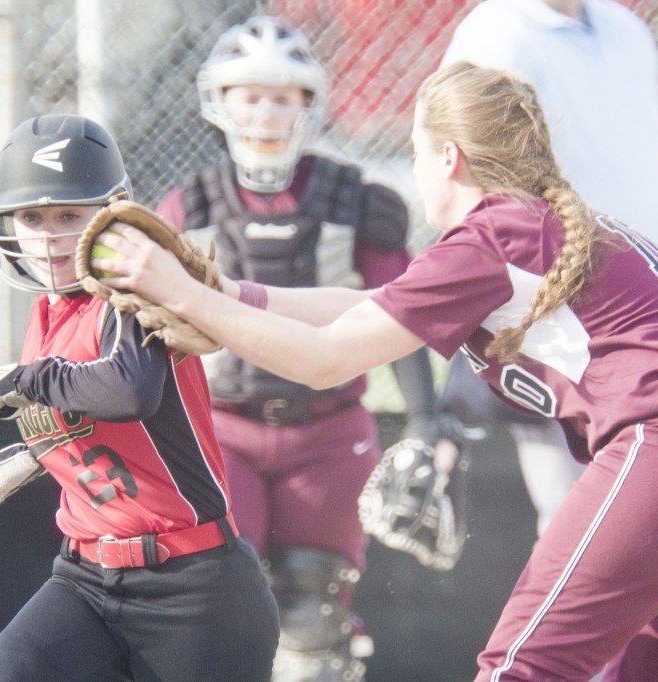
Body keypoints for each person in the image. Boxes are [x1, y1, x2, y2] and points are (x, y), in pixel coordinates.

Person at [93, 61, 658, 681]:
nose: (414, 172)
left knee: (521, 671)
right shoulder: (554, 224)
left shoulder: (491, 234)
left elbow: (326, 359)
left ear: (448, 158)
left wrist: (182, 293)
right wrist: (228, 294)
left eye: (415, 153)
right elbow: (369, 305)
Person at [154, 16, 449, 681]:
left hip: (327, 431)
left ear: (309, 103)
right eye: (249, 93)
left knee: (316, 620)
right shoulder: (189, 207)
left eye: (282, 95)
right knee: (222, 600)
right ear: (219, 101)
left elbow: (401, 316)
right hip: (223, 429)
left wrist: (428, 422)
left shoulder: (358, 202)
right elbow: (159, 329)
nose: (265, 110)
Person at [0, 113, 280, 682]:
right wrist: (39, 452)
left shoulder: (130, 290)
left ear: (112, 215)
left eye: (69, 215)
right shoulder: (49, 311)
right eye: (31, 217)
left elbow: (130, 390)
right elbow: (91, 406)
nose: (49, 235)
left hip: (193, 589)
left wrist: (29, 380)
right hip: (84, 578)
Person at [437, 0, 658, 538]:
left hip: (651, 302)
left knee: (655, 510)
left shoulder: (626, 30)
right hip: (564, 306)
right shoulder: (497, 33)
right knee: (581, 519)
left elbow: (640, 151)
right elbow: (479, 179)